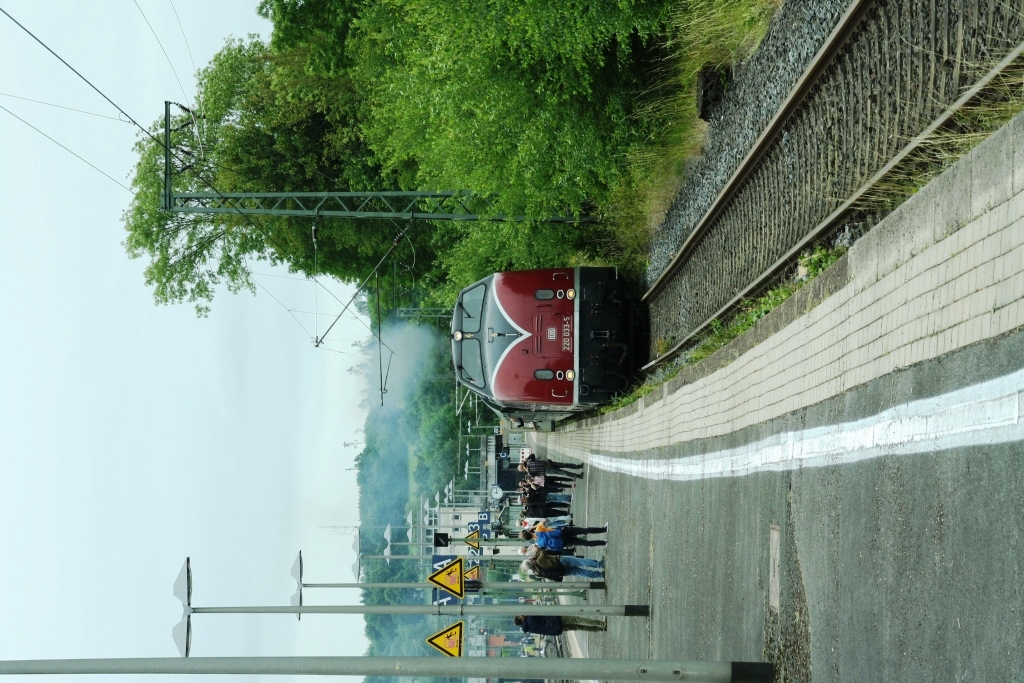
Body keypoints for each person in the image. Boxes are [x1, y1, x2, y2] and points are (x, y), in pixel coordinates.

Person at [526, 549, 605, 580]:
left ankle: (600, 575)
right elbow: (543, 551)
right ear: (531, 562)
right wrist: (534, 557)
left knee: (580, 572)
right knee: (581, 562)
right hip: (561, 561)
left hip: (561, 572)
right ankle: (599, 565)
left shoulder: (537, 574)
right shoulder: (538, 561)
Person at [521, 523, 608, 549]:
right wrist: (533, 527)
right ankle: (604, 529)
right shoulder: (538, 530)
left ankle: (604, 543)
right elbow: (544, 522)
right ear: (529, 532)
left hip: (563, 542)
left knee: (585, 543)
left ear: (529, 539)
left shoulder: (538, 543)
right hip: (563, 532)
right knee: (584, 530)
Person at [513, 614, 606, 634]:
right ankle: (601, 623)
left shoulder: (529, 629)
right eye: (520, 616)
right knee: (578, 620)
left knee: (578, 627)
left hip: (557, 629)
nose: (521, 614)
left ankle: (600, 629)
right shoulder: (530, 618)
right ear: (520, 618)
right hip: (558, 620)